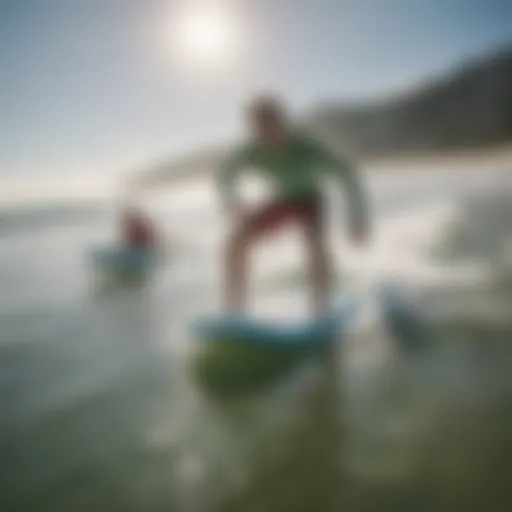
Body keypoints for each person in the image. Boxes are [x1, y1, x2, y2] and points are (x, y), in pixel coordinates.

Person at [217, 95, 371, 315]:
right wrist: (232, 203)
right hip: (282, 199)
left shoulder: (306, 147)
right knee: (235, 241)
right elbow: (225, 175)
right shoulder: (252, 151)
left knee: (315, 246)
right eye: (259, 127)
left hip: (310, 199)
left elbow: (347, 175)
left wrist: (358, 217)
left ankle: (321, 307)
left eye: (271, 124)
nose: (267, 133)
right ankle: (234, 310)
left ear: (283, 122)